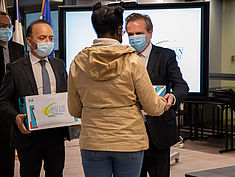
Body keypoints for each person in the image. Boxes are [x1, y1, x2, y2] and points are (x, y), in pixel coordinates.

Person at [67, 2, 168, 177]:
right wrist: (163, 103)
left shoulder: (78, 61)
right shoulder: (132, 61)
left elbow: (74, 109)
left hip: (93, 141)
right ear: (120, 29)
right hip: (128, 141)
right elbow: (152, 107)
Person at [0, 19, 68, 177]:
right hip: (28, 137)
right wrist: (15, 117)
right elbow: (3, 101)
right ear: (29, 41)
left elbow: (66, 95)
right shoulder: (15, 69)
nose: (48, 42)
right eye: (42, 38)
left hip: (55, 136)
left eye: (51, 38)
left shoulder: (59, 65)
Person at [125, 13, 189, 177]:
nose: (134, 38)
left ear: (150, 33)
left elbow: (181, 85)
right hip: (130, 131)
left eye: (138, 33)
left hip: (159, 130)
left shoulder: (166, 56)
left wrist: (172, 97)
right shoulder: (123, 57)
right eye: (130, 34)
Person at [0, 11, 25, 177]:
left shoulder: (19, 48)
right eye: (2, 26)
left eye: (9, 26)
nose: (7, 29)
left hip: (16, 109)